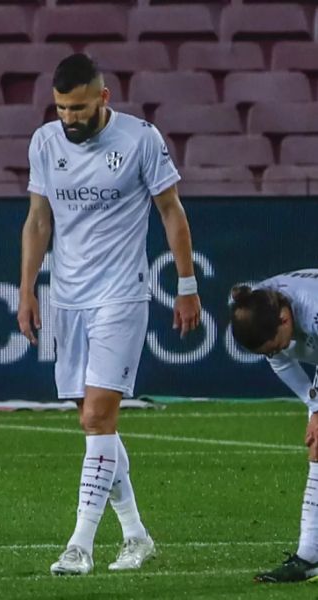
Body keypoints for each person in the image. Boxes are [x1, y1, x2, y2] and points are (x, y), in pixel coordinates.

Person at [17, 53, 201, 574]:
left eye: (77, 108)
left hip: (121, 295)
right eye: (60, 109)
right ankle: (137, 536)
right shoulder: (44, 142)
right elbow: (37, 220)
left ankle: (79, 545)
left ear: (103, 98)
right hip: (67, 297)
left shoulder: (141, 139)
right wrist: (27, 289)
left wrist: (186, 285)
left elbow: (171, 210)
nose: (68, 119)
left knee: (99, 416)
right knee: (92, 423)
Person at [230, 273, 318, 583]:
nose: (275, 352)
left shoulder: (313, 307)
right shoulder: (255, 310)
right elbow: (280, 361)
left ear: (284, 319)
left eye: (277, 345)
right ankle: (309, 557)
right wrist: (314, 407)